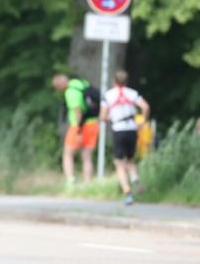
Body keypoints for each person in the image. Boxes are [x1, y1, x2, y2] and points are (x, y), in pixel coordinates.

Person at [100, 70, 150, 205]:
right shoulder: (132, 93)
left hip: (119, 129)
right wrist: (143, 122)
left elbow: (103, 116)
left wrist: (111, 118)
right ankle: (134, 178)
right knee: (131, 159)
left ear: (114, 81)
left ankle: (127, 192)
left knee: (119, 163)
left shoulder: (108, 95)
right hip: (132, 128)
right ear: (126, 81)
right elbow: (145, 107)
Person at [52, 73, 100, 185]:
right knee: (87, 156)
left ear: (61, 84)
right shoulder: (81, 83)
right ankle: (87, 183)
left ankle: (70, 181)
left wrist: (78, 131)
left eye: (57, 87)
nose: (58, 90)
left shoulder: (70, 92)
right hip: (93, 124)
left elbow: (78, 111)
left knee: (67, 154)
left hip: (78, 126)